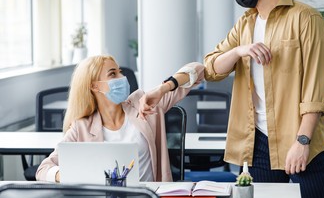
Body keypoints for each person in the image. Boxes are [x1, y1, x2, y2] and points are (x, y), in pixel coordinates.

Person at [204, 0, 324, 198]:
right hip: (258, 143)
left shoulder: (306, 18)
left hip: (299, 139)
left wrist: (302, 140)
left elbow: (316, 88)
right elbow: (211, 68)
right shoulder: (245, 24)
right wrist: (240, 50)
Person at [36, 55, 204, 182]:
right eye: (113, 74)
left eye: (120, 72)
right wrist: (70, 174)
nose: (122, 78)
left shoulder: (144, 103)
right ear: (95, 86)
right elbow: (43, 169)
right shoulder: (82, 127)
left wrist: (163, 88)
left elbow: (198, 70)